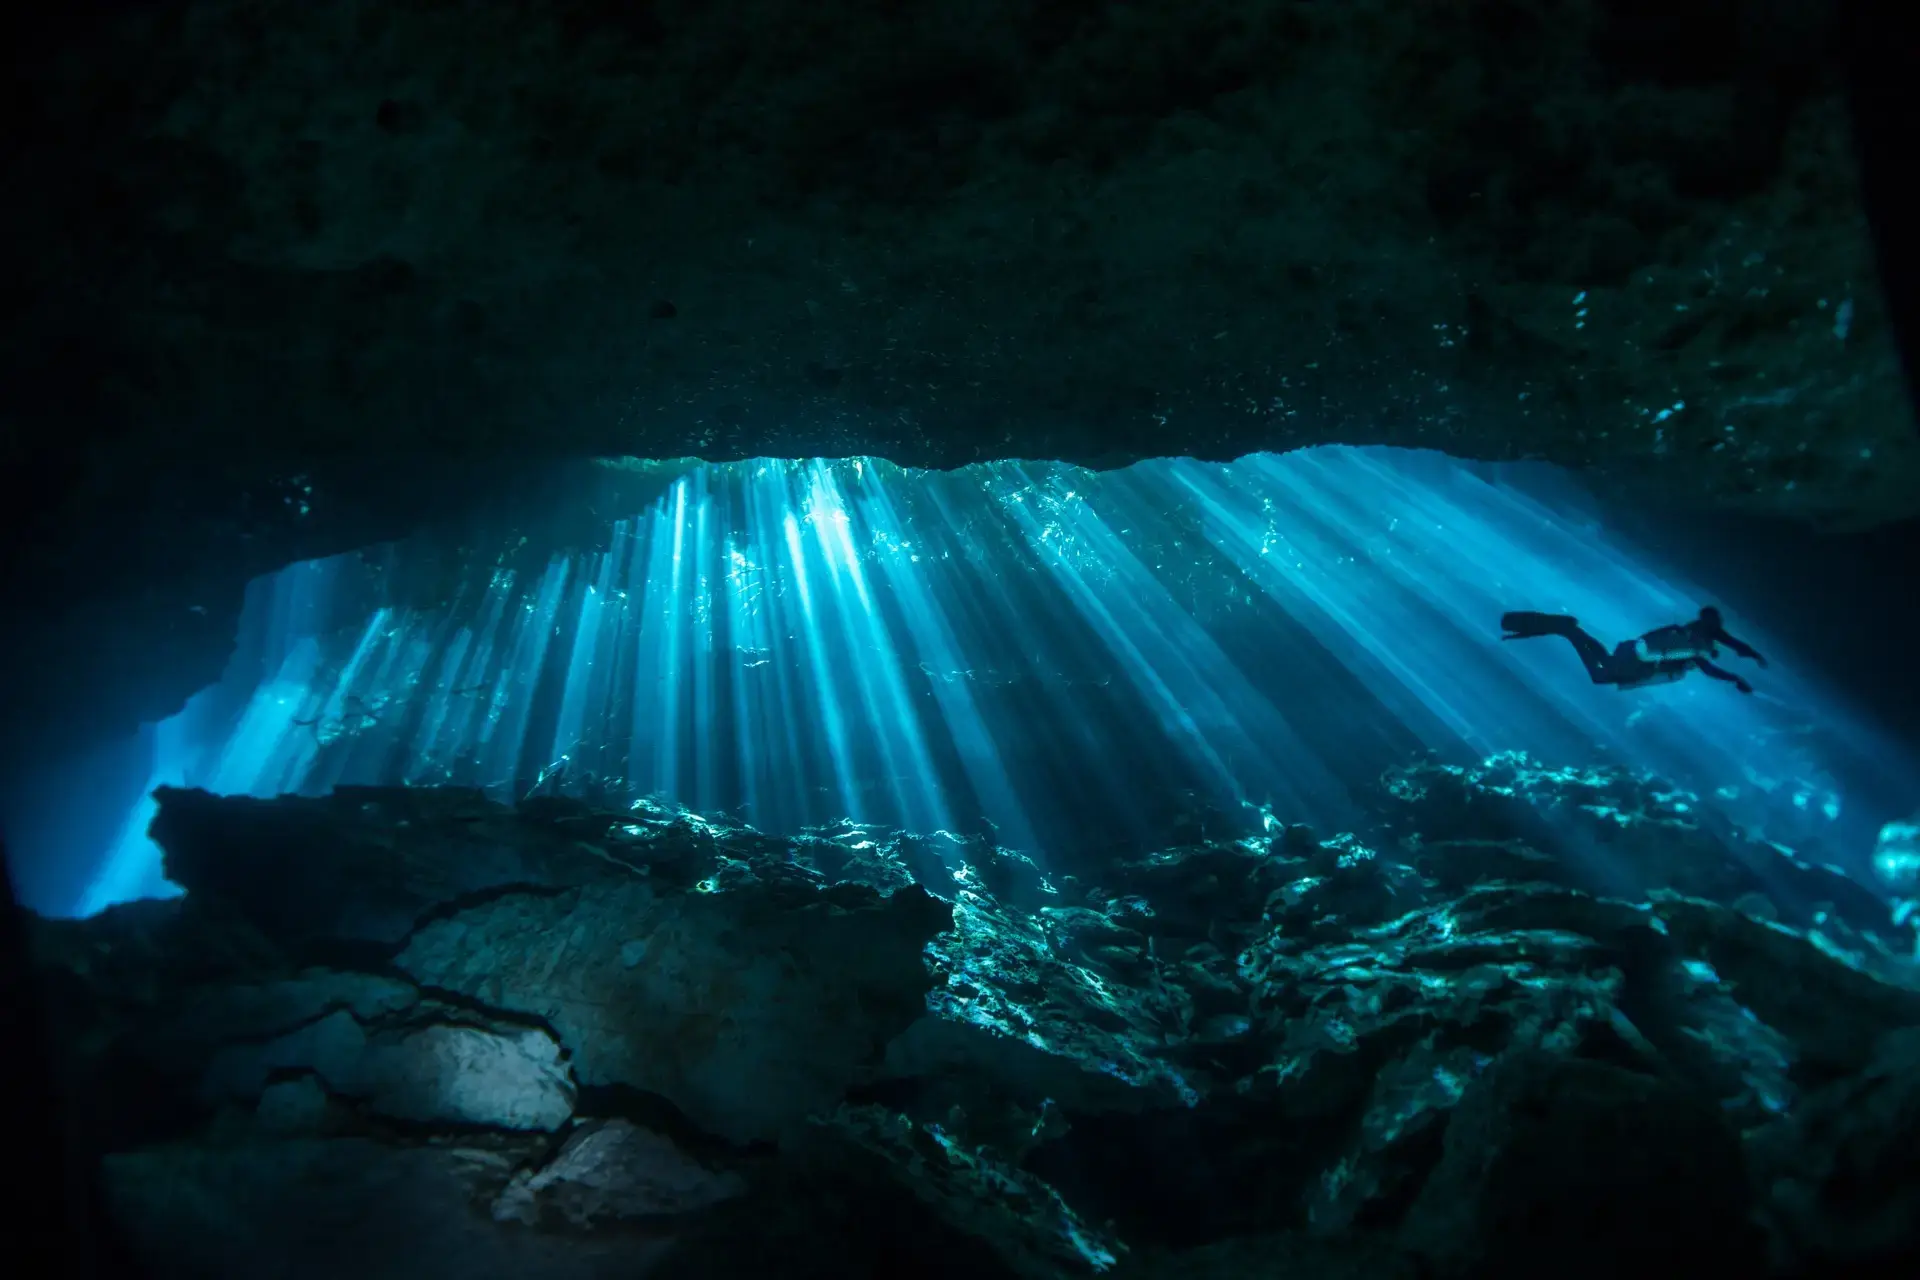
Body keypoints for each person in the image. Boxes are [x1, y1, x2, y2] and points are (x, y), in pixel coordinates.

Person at [1500, 605, 1768, 693]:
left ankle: (1568, 629)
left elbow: (1732, 645)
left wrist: (1751, 658)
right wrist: (1736, 677)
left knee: (1604, 663)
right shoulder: (1693, 648)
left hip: (1639, 653)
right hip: (1643, 662)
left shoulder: (1688, 635)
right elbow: (1711, 665)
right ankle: (1568, 630)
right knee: (1600, 676)